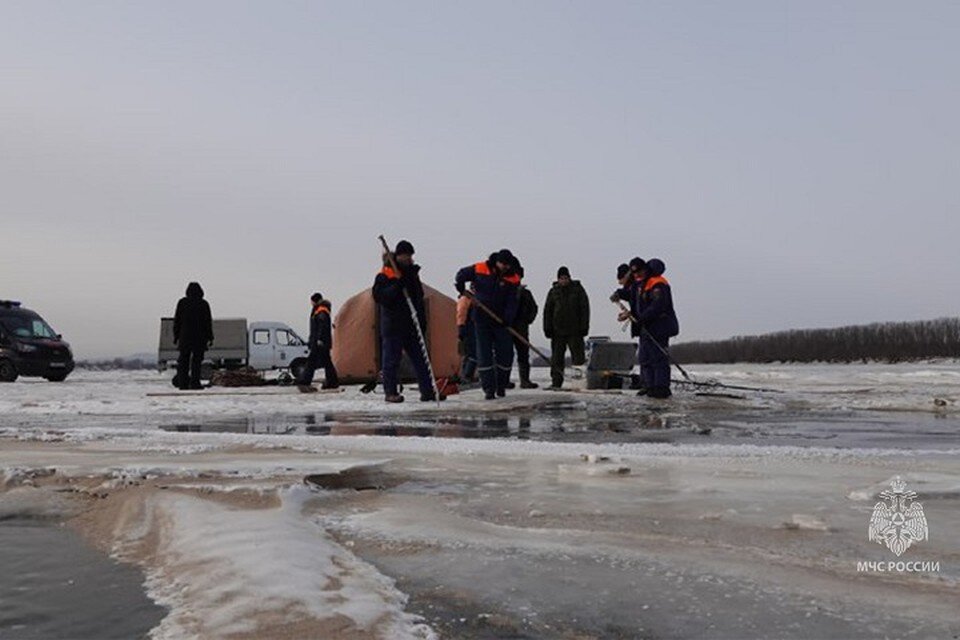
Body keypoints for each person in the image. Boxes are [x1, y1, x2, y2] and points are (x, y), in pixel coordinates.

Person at [373, 240, 443, 403]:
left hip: (412, 325)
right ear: (398, 255)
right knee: (391, 361)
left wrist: (422, 321)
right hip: (393, 326)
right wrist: (398, 285)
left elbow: (418, 299)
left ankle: (427, 391)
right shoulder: (385, 275)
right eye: (405, 255)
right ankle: (390, 392)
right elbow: (381, 297)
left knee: (421, 360)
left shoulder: (412, 274)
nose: (408, 258)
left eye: (410, 255)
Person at [455, 250, 521, 400]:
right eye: (503, 264)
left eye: (507, 265)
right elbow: (461, 274)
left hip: (501, 322)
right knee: (484, 355)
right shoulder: (480, 268)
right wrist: (460, 286)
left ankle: (501, 385)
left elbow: (512, 302)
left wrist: (507, 318)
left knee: (505, 354)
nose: (505, 267)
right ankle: (489, 389)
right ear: (497, 261)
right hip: (481, 319)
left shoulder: (513, 278)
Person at [624, 258, 679, 398]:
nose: (636, 275)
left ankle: (660, 387)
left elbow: (658, 305)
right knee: (645, 358)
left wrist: (642, 318)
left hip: (659, 327)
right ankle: (649, 386)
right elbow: (633, 298)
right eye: (634, 273)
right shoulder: (640, 284)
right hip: (645, 328)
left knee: (658, 358)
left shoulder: (657, 283)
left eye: (639, 272)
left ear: (645, 269)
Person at [543, 266, 590, 390]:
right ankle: (556, 382)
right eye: (561, 278)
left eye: (565, 278)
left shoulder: (578, 290)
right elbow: (548, 311)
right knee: (557, 358)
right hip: (557, 331)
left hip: (575, 331)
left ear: (569, 278)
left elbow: (584, 309)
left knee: (578, 358)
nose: (563, 280)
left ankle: (579, 382)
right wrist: (547, 328)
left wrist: (584, 326)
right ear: (558, 279)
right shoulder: (553, 292)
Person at [172, 282, 213, 390]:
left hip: (185, 337)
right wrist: (210, 337)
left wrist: (176, 336)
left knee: (183, 361)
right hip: (199, 338)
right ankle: (195, 383)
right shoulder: (204, 304)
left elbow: (177, 321)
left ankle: (183, 384)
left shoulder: (182, 303)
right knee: (196, 362)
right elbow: (207, 322)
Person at [296, 292, 340, 392]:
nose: (311, 303)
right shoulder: (321, 310)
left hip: (319, 342)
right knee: (326, 362)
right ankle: (333, 382)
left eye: (311, 301)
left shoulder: (320, 311)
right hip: (320, 341)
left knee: (311, 361)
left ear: (315, 301)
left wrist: (319, 339)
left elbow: (321, 326)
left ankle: (304, 381)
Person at [509, 264, 539, 389]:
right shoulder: (505, 291)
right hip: (507, 327)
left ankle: (525, 380)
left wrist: (527, 320)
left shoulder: (526, 293)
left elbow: (534, 308)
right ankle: (503, 380)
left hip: (521, 328)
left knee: (523, 354)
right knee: (505, 355)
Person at [456, 287, 478, 382]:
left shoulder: (472, 299)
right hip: (468, 328)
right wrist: (461, 327)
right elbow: (461, 313)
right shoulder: (466, 299)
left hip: (473, 328)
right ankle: (467, 375)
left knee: (470, 353)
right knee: (473, 353)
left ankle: (466, 375)